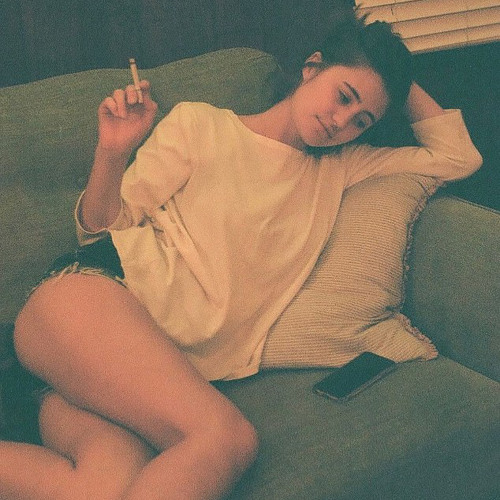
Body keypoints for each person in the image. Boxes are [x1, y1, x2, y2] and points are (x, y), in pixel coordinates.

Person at [1, 14, 481, 500]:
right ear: (311, 68)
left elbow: (458, 157)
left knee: (103, 489)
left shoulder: (341, 170)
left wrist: (395, 73)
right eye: (344, 96)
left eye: (362, 121)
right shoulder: (202, 124)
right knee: (225, 439)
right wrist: (112, 152)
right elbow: (101, 229)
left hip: (123, 367)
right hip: (93, 297)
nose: (342, 122)